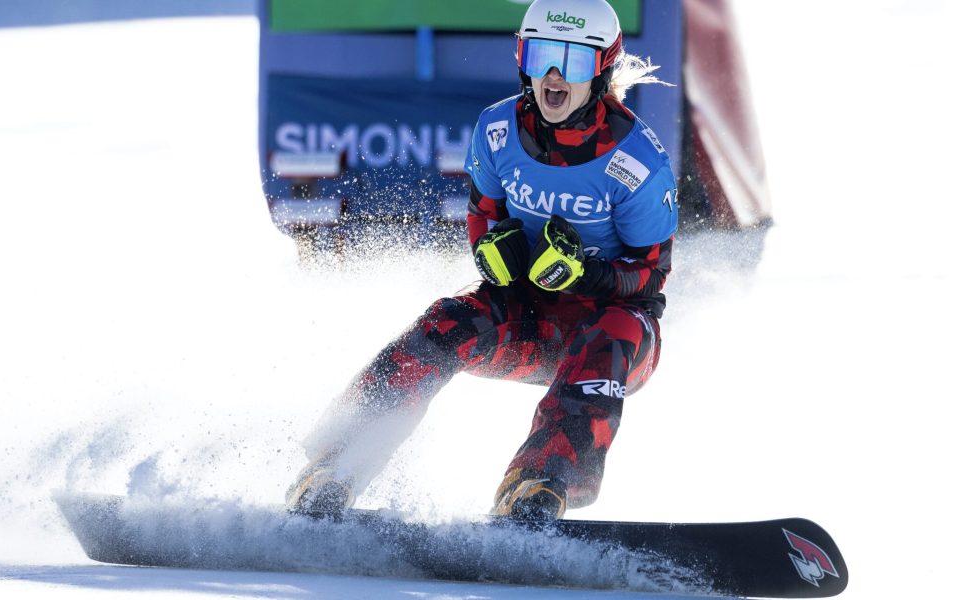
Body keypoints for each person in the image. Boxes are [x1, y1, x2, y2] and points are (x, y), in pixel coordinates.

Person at [286, 0, 677, 520]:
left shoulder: (637, 161)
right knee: (443, 324)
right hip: (529, 317)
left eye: (574, 63)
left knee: (615, 331)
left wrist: (590, 273)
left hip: (612, 335)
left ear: (602, 71)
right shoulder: (498, 130)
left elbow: (652, 282)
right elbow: (483, 215)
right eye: (540, 56)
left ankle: (538, 489)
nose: (554, 77)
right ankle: (333, 467)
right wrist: (493, 256)